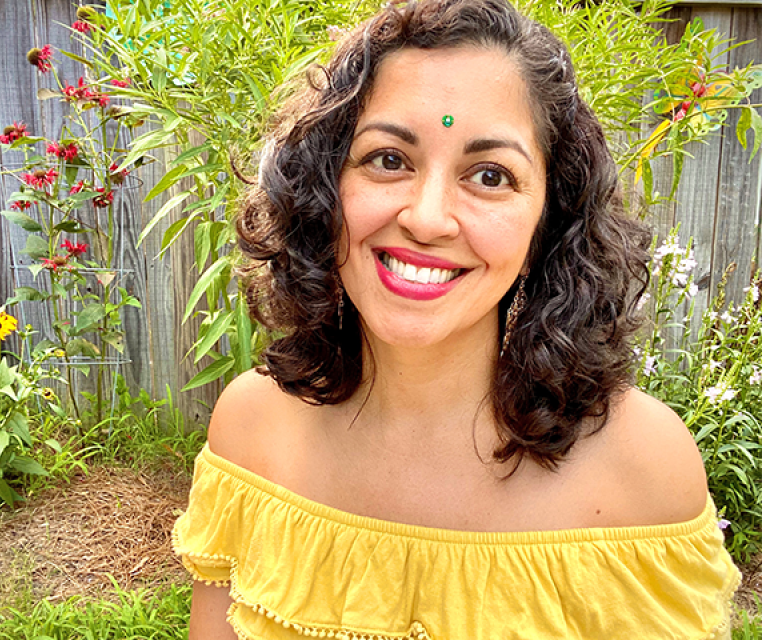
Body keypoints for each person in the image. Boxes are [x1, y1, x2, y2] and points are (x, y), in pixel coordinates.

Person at [174, 0, 741, 637]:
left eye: (490, 175)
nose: (427, 217)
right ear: (324, 188)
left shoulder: (643, 472)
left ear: (547, 224)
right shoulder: (252, 432)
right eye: (389, 159)